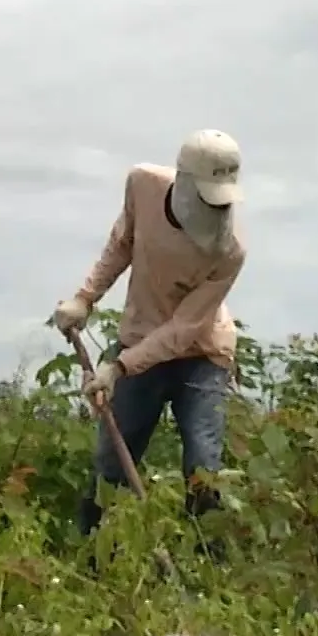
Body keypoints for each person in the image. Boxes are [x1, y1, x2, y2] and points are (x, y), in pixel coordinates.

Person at [48, 129, 247, 546]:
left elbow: (184, 329)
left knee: (203, 465)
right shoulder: (143, 184)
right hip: (140, 337)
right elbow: (122, 244)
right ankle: (93, 556)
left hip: (202, 353)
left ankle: (206, 565)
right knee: (112, 464)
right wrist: (85, 299)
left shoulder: (230, 251)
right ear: (185, 181)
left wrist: (119, 365)